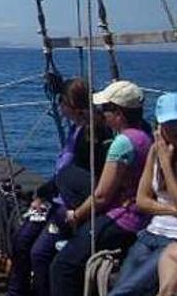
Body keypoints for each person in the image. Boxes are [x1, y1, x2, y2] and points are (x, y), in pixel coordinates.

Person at [8, 78, 109, 296]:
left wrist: (49, 196)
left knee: (40, 254)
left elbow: (79, 178)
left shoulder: (93, 137)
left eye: (61, 102)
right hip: (55, 199)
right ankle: (17, 292)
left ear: (69, 105)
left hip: (71, 206)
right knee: (21, 240)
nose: (59, 107)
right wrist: (43, 195)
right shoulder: (76, 129)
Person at [51, 80, 153, 296]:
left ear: (119, 113)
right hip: (139, 216)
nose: (102, 113)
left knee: (63, 267)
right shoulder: (145, 136)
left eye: (106, 109)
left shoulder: (122, 143)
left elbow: (101, 196)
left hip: (123, 220)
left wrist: (76, 216)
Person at [109, 92, 177, 296]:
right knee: (120, 287)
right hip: (150, 234)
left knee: (123, 292)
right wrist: (173, 209)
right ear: (159, 125)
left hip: (174, 241)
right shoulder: (154, 152)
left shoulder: (163, 157)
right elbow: (142, 200)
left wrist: (166, 163)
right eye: (170, 123)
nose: (176, 129)